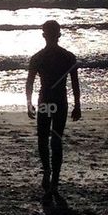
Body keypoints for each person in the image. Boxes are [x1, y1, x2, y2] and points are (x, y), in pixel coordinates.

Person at [25, 20, 81, 202]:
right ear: (59, 35)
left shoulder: (37, 57)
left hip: (46, 101)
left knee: (43, 138)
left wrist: (29, 102)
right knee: (56, 140)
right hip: (60, 101)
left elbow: (30, 83)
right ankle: (54, 178)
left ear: (44, 35)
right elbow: (74, 84)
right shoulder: (68, 57)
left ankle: (48, 172)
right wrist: (77, 104)